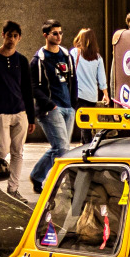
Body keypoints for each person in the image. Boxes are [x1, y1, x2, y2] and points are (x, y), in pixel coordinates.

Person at [0, 21, 35, 203]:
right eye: (9, 35)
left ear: (19, 38)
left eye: (15, 36)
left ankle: (13, 189)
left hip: (19, 112)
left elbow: (28, 89)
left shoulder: (22, 60)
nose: (11, 39)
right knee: (1, 152)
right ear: (2, 35)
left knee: (18, 152)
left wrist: (31, 117)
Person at [29, 19, 78, 194]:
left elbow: (73, 80)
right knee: (63, 148)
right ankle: (55, 184)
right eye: (54, 33)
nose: (59, 36)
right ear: (45, 35)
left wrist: (73, 104)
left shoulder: (66, 55)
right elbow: (33, 87)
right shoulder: (39, 60)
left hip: (68, 107)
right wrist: (50, 105)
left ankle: (39, 176)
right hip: (50, 109)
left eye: (60, 33)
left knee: (60, 147)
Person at [70, 28, 107, 145]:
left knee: (84, 123)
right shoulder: (98, 57)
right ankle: (84, 145)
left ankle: (88, 145)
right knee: (87, 122)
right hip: (92, 96)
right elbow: (101, 78)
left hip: (79, 94)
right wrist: (105, 94)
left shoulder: (75, 53)